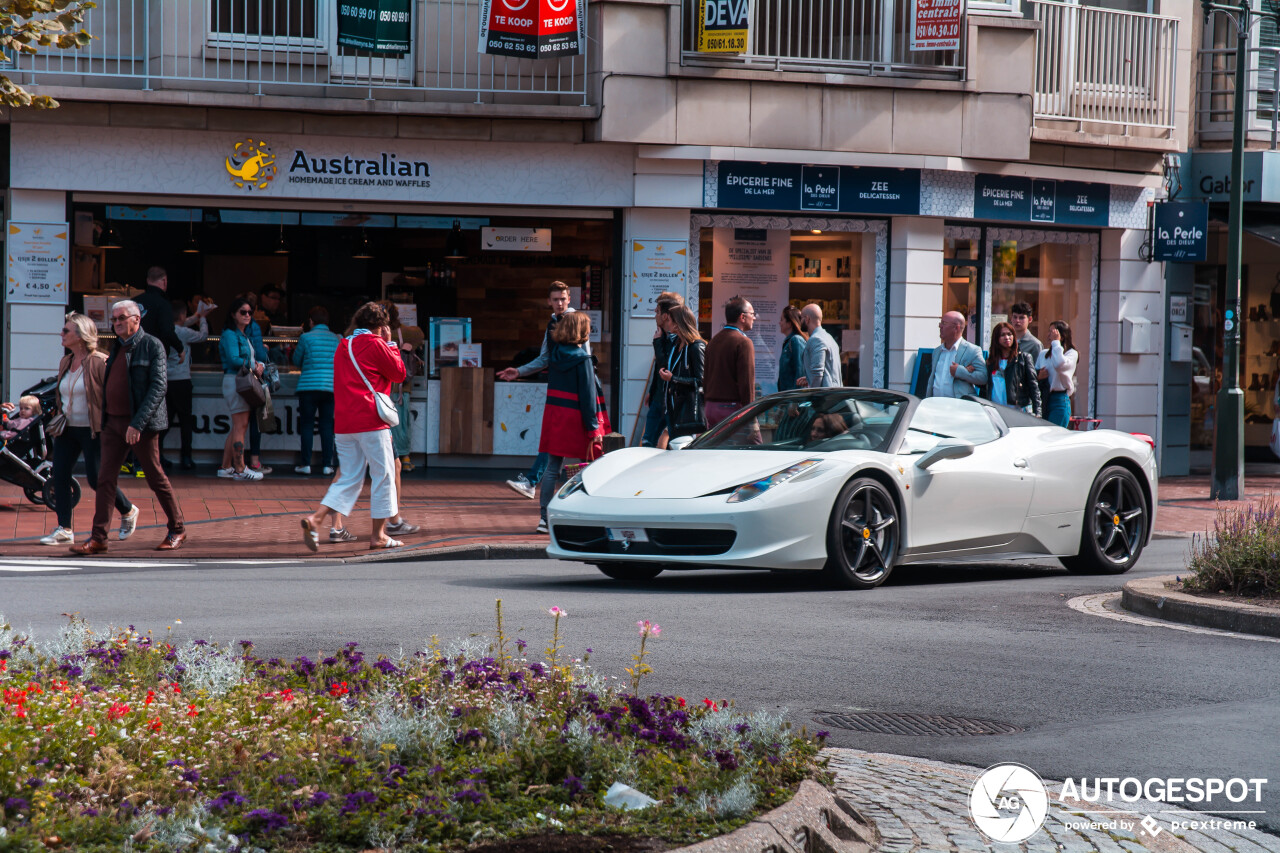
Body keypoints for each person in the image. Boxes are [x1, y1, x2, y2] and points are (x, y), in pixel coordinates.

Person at [69, 300, 186, 554]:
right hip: (113, 422)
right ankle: (99, 538)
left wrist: (137, 423)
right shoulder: (117, 347)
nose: (117, 323)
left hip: (139, 424)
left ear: (137, 319)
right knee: (105, 479)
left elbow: (158, 388)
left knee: (154, 477)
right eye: (114, 319)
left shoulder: (151, 345)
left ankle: (177, 529)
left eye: (122, 318)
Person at [300, 301, 408, 551]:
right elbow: (399, 374)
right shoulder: (376, 344)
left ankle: (316, 518)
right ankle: (378, 535)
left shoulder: (343, 345)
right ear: (380, 326)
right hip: (371, 420)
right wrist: (391, 344)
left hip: (345, 423)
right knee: (384, 476)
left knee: (348, 478)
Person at [39, 314, 137, 546]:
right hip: (67, 428)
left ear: (81, 336)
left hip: (93, 429)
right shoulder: (66, 361)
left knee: (96, 479)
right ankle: (65, 528)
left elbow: (113, 395)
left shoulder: (99, 362)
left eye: (66, 331)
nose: (61, 334)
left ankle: (128, 509)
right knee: (59, 476)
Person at [500, 281, 578, 500]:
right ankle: (537, 487)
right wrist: (519, 371)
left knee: (567, 441)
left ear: (569, 298)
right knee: (555, 440)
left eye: (563, 299)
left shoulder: (575, 321)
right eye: (555, 299)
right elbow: (544, 358)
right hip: (558, 389)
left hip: (572, 391)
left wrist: (585, 391)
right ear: (549, 301)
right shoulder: (552, 323)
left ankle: (537, 485)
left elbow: (586, 358)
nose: (559, 303)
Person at [535, 312, 607, 534]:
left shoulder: (555, 355)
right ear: (581, 332)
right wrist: (593, 427)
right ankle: (586, 516)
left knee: (551, 468)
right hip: (576, 417)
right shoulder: (583, 360)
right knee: (589, 466)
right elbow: (587, 397)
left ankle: (544, 519)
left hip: (555, 414)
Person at [217, 297, 266, 482]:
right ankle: (239, 468)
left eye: (250, 312)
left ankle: (226, 466)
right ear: (233, 314)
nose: (247, 315)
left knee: (238, 425)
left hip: (238, 381)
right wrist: (255, 364)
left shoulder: (241, 334)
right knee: (241, 425)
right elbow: (233, 359)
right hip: (236, 381)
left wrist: (256, 364)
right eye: (243, 312)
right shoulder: (231, 334)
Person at [292, 305, 341, 476]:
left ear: (311, 321)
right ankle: (328, 465)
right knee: (327, 426)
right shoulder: (337, 338)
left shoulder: (305, 337)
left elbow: (297, 360)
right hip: (330, 387)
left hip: (308, 387)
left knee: (307, 425)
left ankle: (305, 464)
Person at [377, 300, 425, 472]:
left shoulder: (373, 332)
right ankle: (404, 458)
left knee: (378, 426)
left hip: (377, 386)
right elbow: (420, 335)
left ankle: (382, 459)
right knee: (401, 424)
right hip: (400, 387)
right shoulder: (406, 332)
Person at [163, 298, 209, 470]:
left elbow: (181, 322)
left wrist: (196, 315)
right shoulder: (184, 333)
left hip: (166, 381)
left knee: (164, 422)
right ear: (182, 315)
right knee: (185, 422)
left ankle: (158, 455)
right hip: (182, 381)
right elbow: (203, 336)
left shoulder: (166, 329)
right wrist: (203, 319)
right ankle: (186, 457)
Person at [703, 296, 756, 429]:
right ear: (742, 317)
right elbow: (747, 383)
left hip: (710, 408)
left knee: (718, 448)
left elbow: (706, 376)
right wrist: (752, 418)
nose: (754, 318)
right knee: (754, 446)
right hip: (731, 410)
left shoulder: (713, 341)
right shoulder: (744, 342)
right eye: (752, 314)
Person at [641, 291, 684, 447]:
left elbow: (667, 367)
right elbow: (657, 369)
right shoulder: (663, 335)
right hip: (659, 399)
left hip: (673, 402)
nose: (655, 314)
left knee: (673, 446)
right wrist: (652, 391)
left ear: (666, 316)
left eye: (658, 311)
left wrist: (657, 344)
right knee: (647, 442)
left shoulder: (678, 338)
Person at [660, 305, 706, 441]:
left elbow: (701, 380)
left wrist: (673, 378)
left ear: (678, 323)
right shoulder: (677, 344)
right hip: (674, 407)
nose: (667, 323)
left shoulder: (696, 346)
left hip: (689, 410)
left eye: (669, 320)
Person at [981, 322, 1042, 417]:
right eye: (1002, 335)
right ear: (996, 338)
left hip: (1018, 411)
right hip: (995, 412)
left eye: (1009, 334)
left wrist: (1038, 412)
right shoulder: (990, 362)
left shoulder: (1024, 358)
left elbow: (1034, 387)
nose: (1007, 338)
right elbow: (984, 387)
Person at [927, 311, 986, 399]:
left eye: (944, 323)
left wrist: (961, 371)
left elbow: (983, 377)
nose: (940, 326)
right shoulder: (937, 351)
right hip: (936, 405)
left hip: (959, 406)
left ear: (956, 328)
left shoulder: (972, 350)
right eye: (941, 323)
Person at [135, 267, 187, 364]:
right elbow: (167, 331)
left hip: (134, 355)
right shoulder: (163, 303)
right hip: (155, 356)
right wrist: (180, 349)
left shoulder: (134, 302)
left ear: (147, 281)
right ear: (164, 281)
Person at [1036, 320, 1079, 428]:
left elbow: (1059, 364)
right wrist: (1038, 376)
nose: (1049, 335)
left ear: (1062, 336)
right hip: (1044, 397)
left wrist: (1056, 343)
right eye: (1049, 331)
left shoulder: (1071, 354)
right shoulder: (1043, 354)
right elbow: (1033, 376)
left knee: (1054, 435)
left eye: (1053, 332)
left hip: (1059, 399)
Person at [796, 303, 840, 389]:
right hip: (834, 394)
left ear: (807, 319)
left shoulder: (815, 339)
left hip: (825, 398)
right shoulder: (830, 338)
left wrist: (812, 394)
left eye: (801, 318)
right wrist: (809, 378)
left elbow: (817, 373)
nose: (800, 322)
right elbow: (829, 371)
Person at [776, 305, 809, 392]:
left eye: (782, 319)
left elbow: (800, 372)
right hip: (787, 398)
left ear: (789, 323)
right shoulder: (789, 341)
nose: (779, 323)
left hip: (793, 400)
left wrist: (795, 400)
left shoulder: (796, 340)